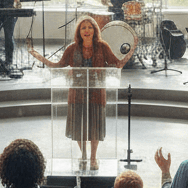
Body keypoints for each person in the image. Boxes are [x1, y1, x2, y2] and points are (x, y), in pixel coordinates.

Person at [29, 17, 135, 168]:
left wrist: (131, 49)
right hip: (77, 93)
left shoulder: (102, 46)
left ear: (95, 30)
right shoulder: (72, 48)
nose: (87, 30)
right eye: (83, 28)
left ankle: (93, 158)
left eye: (90, 27)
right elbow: (58, 66)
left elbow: (117, 65)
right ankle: (83, 154)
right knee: (79, 127)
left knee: (94, 127)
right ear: (79, 32)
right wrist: (40, 58)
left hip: (96, 93)